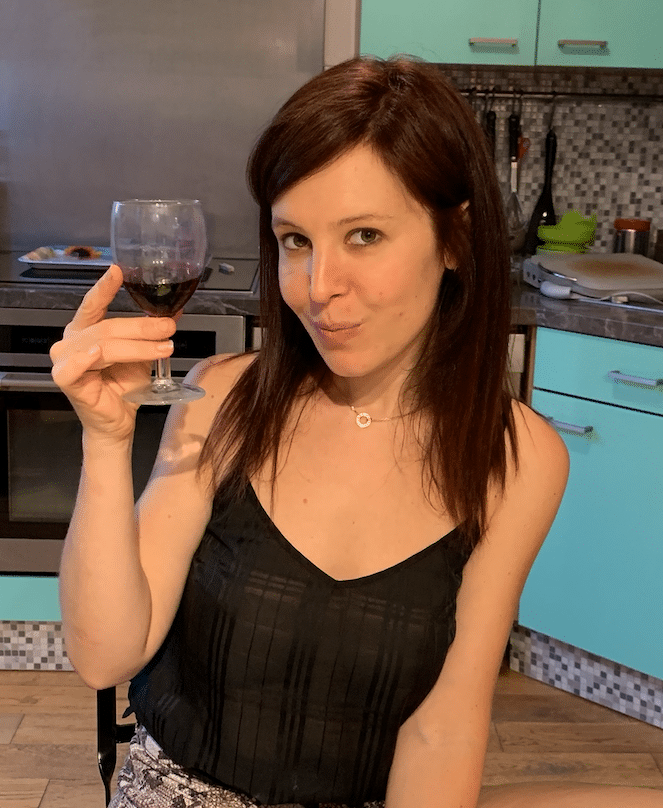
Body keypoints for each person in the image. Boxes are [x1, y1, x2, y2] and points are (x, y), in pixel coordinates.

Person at [51, 57, 663, 808]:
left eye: (364, 235)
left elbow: (443, 728)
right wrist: (106, 441)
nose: (318, 288)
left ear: (454, 239)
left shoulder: (517, 457)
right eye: (295, 240)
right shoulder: (221, 400)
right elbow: (105, 654)